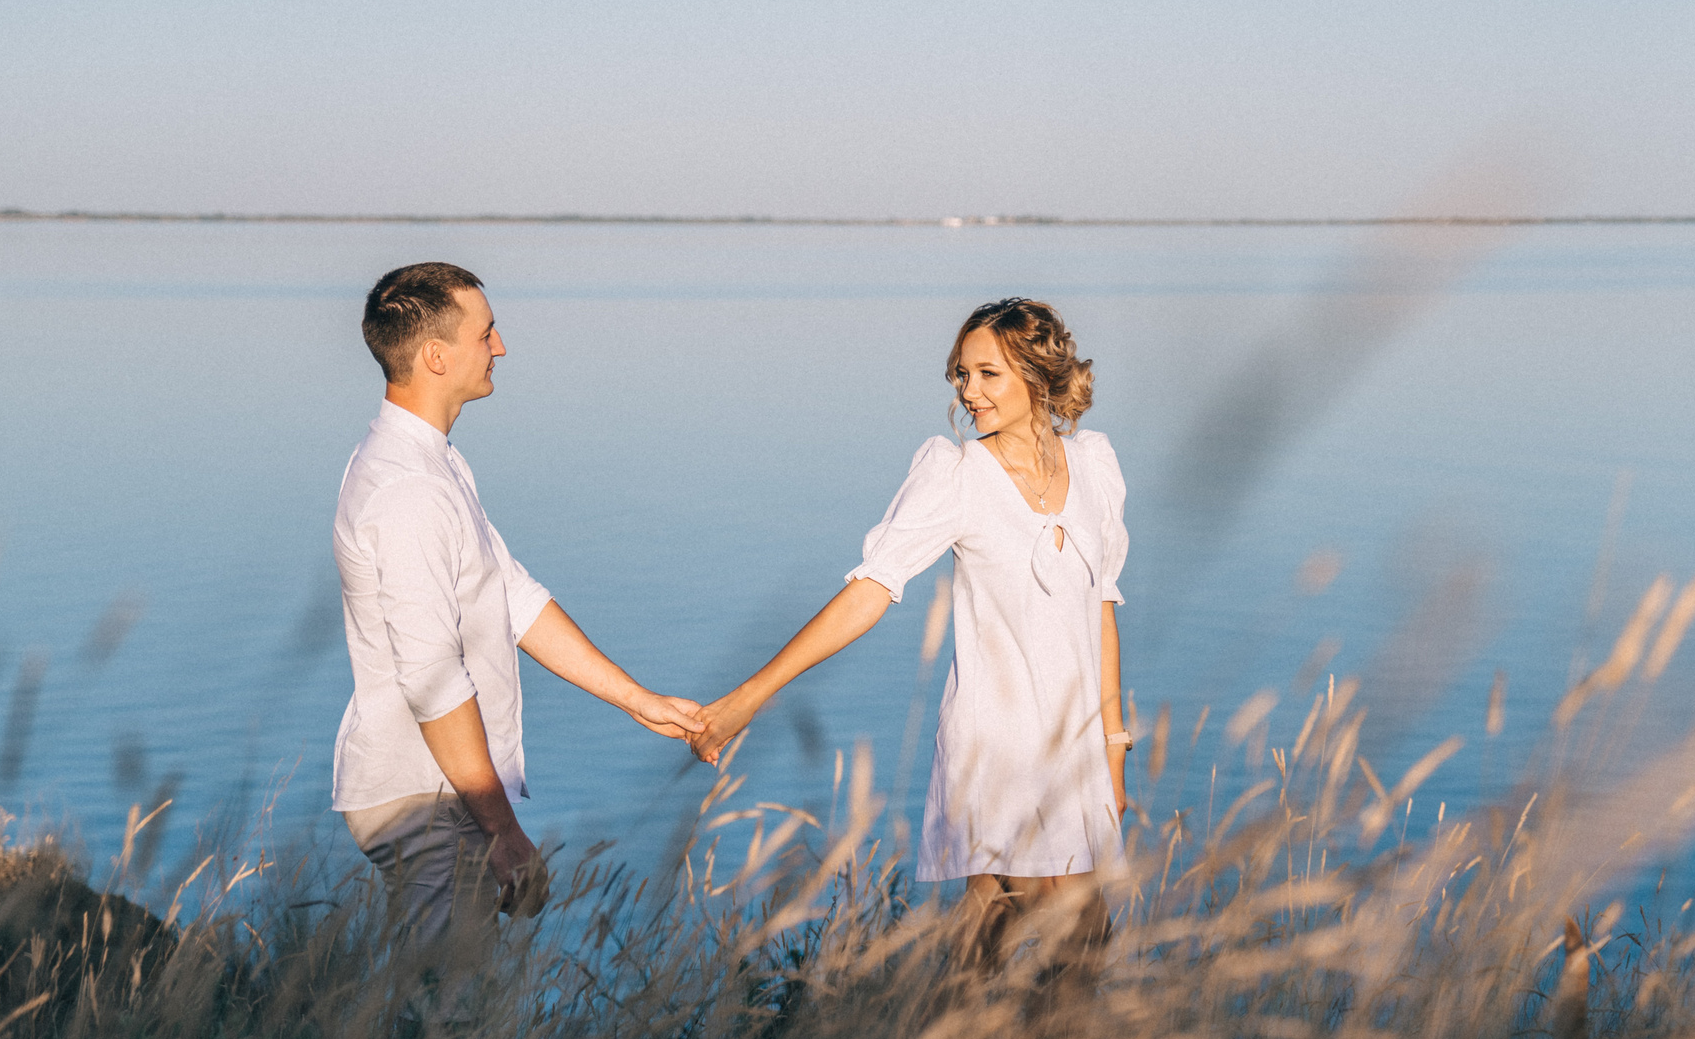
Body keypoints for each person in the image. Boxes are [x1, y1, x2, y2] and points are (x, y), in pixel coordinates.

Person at [694, 297, 1130, 973]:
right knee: (1063, 934)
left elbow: (1101, 608)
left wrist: (1114, 752)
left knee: (1017, 941)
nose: (968, 391)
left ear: (1037, 376)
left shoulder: (1095, 468)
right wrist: (752, 695)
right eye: (962, 374)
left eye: (988, 374)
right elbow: (869, 592)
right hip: (997, 748)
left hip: (1076, 754)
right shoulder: (957, 476)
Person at [332, 262, 704, 944]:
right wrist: (500, 829)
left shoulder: (436, 465)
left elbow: (514, 597)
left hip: (446, 793)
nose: (499, 347)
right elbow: (431, 678)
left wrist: (639, 701)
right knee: (450, 1019)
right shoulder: (407, 491)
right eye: (487, 333)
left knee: (449, 1008)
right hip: (425, 797)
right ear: (436, 356)